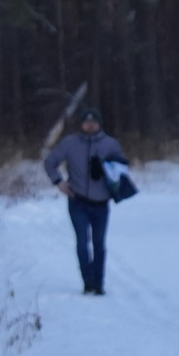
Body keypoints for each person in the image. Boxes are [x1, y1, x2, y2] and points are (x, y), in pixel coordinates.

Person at [42, 105, 128, 296]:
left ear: (100, 124)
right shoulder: (69, 143)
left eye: (94, 122)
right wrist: (59, 182)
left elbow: (121, 169)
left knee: (99, 244)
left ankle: (98, 284)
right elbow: (50, 162)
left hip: (101, 203)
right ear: (81, 124)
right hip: (78, 201)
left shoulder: (110, 144)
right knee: (82, 243)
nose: (90, 126)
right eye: (87, 122)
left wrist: (110, 175)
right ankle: (87, 282)